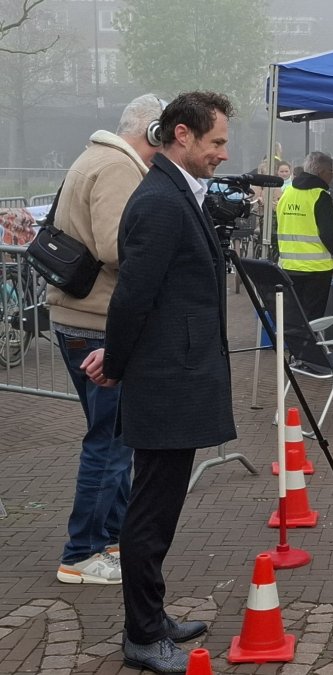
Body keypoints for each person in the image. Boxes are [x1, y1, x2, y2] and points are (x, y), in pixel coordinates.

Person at [82, 91, 238, 674]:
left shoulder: (176, 194)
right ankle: (141, 634)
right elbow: (132, 297)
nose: (224, 152)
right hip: (165, 381)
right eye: (217, 141)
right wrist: (116, 362)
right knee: (149, 512)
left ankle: (152, 616)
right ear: (182, 135)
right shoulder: (159, 201)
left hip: (177, 376)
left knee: (160, 508)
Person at [48, 93, 164, 586]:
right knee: (110, 443)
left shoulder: (92, 157)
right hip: (97, 322)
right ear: (154, 133)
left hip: (77, 316)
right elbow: (119, 247)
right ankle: (82, 553)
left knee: (113, 438)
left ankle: (110, 539)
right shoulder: (118, 168)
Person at [276, 151, 333, 337]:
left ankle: (296, 356)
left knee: (295, 318)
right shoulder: (320, 196)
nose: (332, 176)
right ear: (321, 172)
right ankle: (310, 361)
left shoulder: (287, 193)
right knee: (313, 321)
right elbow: (328, 234)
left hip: (289, 267)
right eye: (331, 172)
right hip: (316, 270)